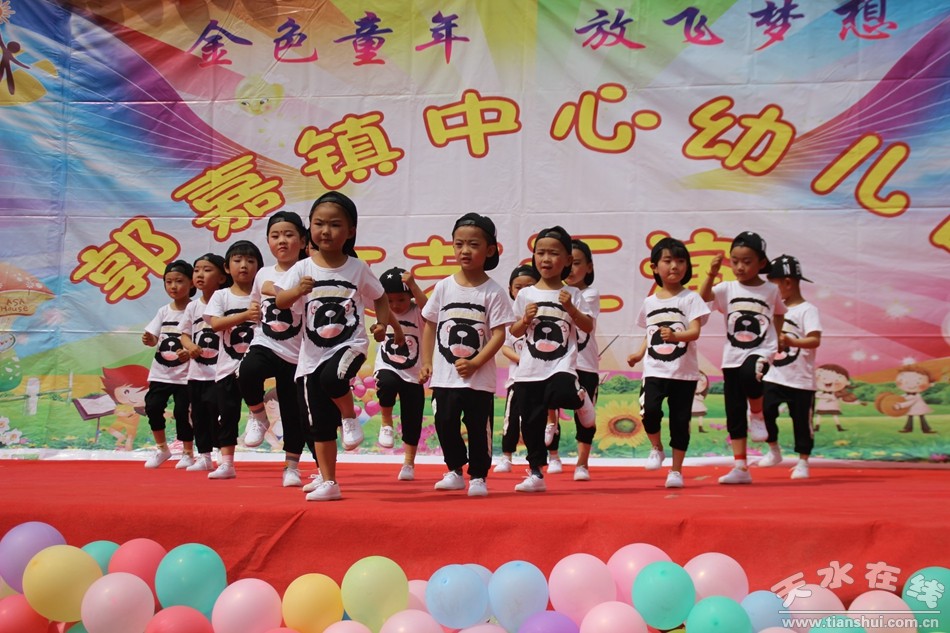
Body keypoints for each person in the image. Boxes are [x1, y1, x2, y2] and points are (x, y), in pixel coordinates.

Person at [276, 192, 401, 502]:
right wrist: (297, 290)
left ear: (351, 230)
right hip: (311, 356)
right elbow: (280, 302)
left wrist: (382, 324)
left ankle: (348, 414)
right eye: (319, 224)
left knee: (332, 379)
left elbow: (380, 297)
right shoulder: (302, 268)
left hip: (350, 345)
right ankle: (329, 481)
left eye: (334, 225)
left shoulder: (357, 268)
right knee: (317, 423)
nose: (326, 231)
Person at [419, 213, 514, 497]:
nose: (465, 251)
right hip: (445, 377)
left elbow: (498, 335)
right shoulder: (444, 286)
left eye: (473, 244)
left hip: (478, 380)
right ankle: (454, 470)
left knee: (477, 428)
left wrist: (475, 363)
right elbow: (430, 324)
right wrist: (427, 362)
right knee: (444, 422)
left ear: (490, 249)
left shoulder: (494, 292)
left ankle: (478, 477)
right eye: (459, 244)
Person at [509, 226, 595, 493]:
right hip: (529, 369)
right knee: (530, 423)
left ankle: (579, 398)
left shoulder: (574, 294)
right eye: (541, 253)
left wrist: (571, 308)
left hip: (561, 364)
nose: (546, 259)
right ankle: (536, 473)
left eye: (554, 253)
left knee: (562, 391)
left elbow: (588, 326)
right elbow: (514, 332)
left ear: (567, 260)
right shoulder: (525, 294)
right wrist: (525, 319)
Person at [699, 231, 785, 485]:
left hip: (761, 350)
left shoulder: (771, 289)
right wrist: (711, 274)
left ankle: (757, 413)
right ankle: (741, 467)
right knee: (734, 410)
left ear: (761, 262)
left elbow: (780, 312)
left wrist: (778, 337)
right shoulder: (727, 288)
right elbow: (702, 298)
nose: (739, 267)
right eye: (735, 261)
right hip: (732, 356)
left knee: (751, 373)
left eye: (747, 261)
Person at [627, 237, 709, 488]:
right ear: (654, 267)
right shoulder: (650, 302)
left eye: (681, 261)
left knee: (679, 422)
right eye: (668, 261)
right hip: (654, 370)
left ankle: (676, 470)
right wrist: (639, 353)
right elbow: (650, 332)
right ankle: (657, 448)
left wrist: (675, 337)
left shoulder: (691, 298)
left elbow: (695, 331)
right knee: (649, 412)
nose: (675, 266)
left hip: (683, 373)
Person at [239, 211, 313, 487]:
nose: (282, 240)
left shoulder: (310, 271)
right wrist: (252, 309)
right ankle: (258, 415)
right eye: (275, 235)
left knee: (294, 413)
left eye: (289, 235)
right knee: (247, 371)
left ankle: (291, 466)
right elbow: (258, 297)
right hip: (266, 342)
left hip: (298, 353)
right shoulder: (263, 274)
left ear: (302, 241)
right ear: (269, 241)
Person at [204, 240, 264, 479]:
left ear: (259, 267)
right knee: (227, 414)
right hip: (227, 367)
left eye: (250, 261)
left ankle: (259, 416)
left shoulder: (264, 295)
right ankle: (227, 463)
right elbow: (215, 324)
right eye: (237, 261)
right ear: (227, 268)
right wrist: (246, 315)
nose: (244, 266)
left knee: (258, 402)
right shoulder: (221, 296)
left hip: (255, 367)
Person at [759, 254, 823, 479]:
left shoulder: (807, 310)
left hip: (800, 380)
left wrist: (791, 341)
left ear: (787, 283)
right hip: (773, 376)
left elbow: (814, 340)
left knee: (801, 422)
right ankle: (773, 450)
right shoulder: (773, 310)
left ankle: (803, 462)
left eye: (773, 285)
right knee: (763, 412)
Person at [371, 266, 428, 481]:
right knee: (386, 384)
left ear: (410, 297)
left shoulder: (418, 313)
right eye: (390, 300)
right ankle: (386, 422)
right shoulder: (383, 311)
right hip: (388, 365)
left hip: (413, 372)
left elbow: (428, 308)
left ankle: (408, 463)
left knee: (412, 416)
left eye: (401, 300)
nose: (395, 305)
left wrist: (413, 285)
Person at [141, 260, 196, 469]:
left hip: (185, 375)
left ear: (191, 283)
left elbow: (201, 338)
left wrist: (189, 351)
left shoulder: (195, 310)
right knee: (153, 407)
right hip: (161, 373)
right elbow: (154, 337)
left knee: (183, 412)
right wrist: (149, 340)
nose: (173, 286)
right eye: (169, 281)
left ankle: (188, 452)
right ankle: (162, 448)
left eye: (179, 281)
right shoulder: (163, 311)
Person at [178, 253, 230, 472]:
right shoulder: (193, 307)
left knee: (220, 414)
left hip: (220, 371)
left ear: (222, 277)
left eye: (207, 270)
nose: (200, 274)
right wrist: (190, 347)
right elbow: (184, 334)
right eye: (197, 270)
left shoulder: (227, 301)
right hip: (197, 372)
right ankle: (204, 455)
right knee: (198, 415)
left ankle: (222, 453)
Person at [555, 238, 600, 481]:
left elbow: (583, 321)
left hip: (584, 362)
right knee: (549, 404)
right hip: (557, 361)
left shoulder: (589, 294)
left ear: (589, 267)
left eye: (577, 263)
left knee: (584, 415)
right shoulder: (550, 291)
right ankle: (552, 456)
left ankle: (582, 463)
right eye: (568, 262)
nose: (571, 269)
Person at [494, 264, 540, 474]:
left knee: (540, 421)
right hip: (517, 379)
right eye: (518, 287)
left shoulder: (546, 313)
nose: (523, 291)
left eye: (529, 286)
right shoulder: (508, 316)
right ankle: (506, 457)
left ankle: (549, 457)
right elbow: (505, 347)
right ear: (511, 290)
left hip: (540, 378)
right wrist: (524, 359)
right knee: (511, 420)